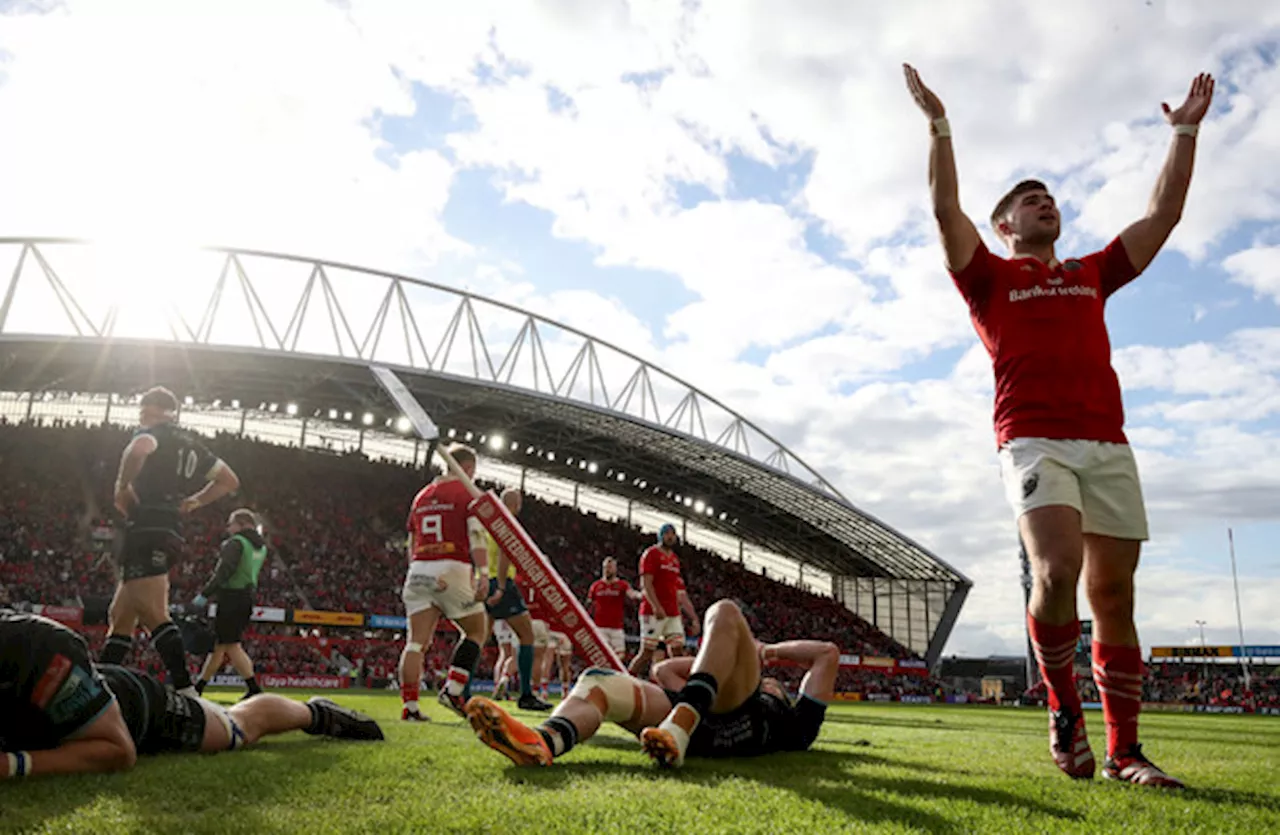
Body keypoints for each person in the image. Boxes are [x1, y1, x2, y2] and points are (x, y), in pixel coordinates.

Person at [903, 65, 1215, 788]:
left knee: (1114, 596)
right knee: (1055, 570)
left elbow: (1163, 215)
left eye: (1049, 196)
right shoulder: (985, 277)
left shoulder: (1092, 271)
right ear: (1005, 225)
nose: (1044, 202)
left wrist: (1185, 132)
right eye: (1027, 200)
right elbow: (944, 208)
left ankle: (1125, 752)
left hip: (1107, 440)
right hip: (1033, 435)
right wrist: (940, 127)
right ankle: (1063, 706)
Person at [0, 610, 382, 778]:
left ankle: (316, 713)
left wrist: (13, 765)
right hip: (68, 700)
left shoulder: (34, 643)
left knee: (238, 728)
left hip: (135, 707)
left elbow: (117, 751)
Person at [464, 600, 834, 768]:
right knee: (598, 682)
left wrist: (764, 652)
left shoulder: (795, 723)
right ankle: (543, 742)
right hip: (688, 725)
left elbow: (826, 654)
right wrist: (728, 659)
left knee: (724, 611)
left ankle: (682, 724)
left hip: (734, 719)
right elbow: (664, 672)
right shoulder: (732, 682)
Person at [102, 386, 241, 696]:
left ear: (156, 410)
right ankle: (101, 681)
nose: (140, 414)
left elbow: (138, 448)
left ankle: (184, 688)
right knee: (121, 613)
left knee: (153, 613)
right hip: (167, 526)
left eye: (143, 408)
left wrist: (122, 485)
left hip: (147, 526)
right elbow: (230, 481)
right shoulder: (192, 444)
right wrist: (192, 502)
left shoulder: (155, 434)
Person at [398, 444, 490, 721]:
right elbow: (476, 537)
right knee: (476, 630)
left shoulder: (421, 496)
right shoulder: (467, 493)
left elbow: (411, 542)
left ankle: (410, 708)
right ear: (469, 468)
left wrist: (417, 571)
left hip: (418, 569)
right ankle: (453, 689)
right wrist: (483, 573)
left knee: (415, 643)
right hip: (452, 566)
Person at [482, 488, 551, 711]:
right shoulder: (507, 522)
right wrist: (502, 587)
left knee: (477, 638)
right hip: (502, 582)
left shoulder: (488, 522)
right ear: (516, 503)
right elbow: (504, 554)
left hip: (482, 581)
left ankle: (458, 689)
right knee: (526, 635)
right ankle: (526, 695)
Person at [192, 509, 269, 700]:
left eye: (231, 524)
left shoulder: (236, 543)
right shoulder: (261, 547)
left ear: (242, 524)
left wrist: (204, 594)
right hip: (247, 597)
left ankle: (253, 688)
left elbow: (223, 571)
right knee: (220, 645)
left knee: (231, 644)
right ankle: (199, 687)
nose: (228, 528)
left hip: (231, 597)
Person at [628, 524, 699, 678]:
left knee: (678, 651)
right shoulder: (651, 554)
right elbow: (645, 584)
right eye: (667, 533)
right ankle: (627, 681)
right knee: (646, 653)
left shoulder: (674, 560)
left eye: (673, 534)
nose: (670, 536)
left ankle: (677, 689)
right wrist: (656, 606)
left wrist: (692, 618)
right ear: (660, 535)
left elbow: (678, 592)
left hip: (673, 613)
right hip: (653, 612)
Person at [587, 557, 642, 662]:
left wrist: (640, 595)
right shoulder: (596, 586)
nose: (608, 570)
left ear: (615, 569)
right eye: (606, 567)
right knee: (603, 656)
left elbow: (631, 594)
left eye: (610, 567)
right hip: (600, 627)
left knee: (620, 656)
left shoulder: (622, 585)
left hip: (617, 627)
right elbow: (589, 605)